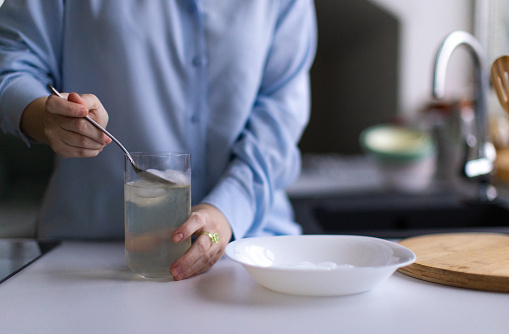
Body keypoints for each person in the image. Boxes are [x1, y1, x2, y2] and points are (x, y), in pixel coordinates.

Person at [0, 0, 317, 280]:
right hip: (86, 262)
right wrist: (45, 117)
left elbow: (280, 114)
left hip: (251, 253)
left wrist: (227, 211)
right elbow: (10, 66)